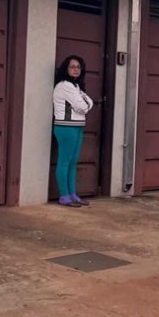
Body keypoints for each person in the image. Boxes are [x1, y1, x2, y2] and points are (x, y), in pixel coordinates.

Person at [52, 55, 94, 208]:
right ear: (66, 68)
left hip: (77, 126)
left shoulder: (76, 86)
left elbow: (87, 102)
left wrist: (85, 103)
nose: (75, 69)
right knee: (65, 161)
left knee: (73, 162)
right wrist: (86, 104)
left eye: (78, 67)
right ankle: (64, 196)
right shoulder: (65, 86)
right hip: (65, 127)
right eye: (72, 66)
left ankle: (73, 194)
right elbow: (84, 106)